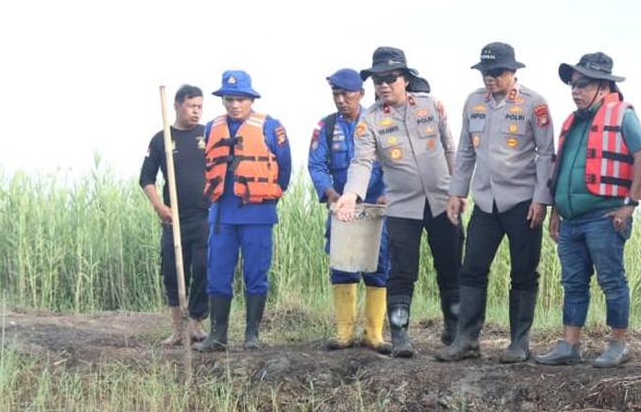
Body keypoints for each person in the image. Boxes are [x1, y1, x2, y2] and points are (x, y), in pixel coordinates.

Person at [334, 47, 462, 358]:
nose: (383, 85)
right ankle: (401, 334)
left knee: (451, 265)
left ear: (405, 79)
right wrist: (351, 194)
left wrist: (459, 191)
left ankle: (455, 329)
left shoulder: (432, 107)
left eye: (390, 78)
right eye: (378, 80)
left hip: (444, 201)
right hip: (403, 206)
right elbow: (361, 162)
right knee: (402, 270)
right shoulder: (371, 120)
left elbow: (450, 149)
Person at [438, 42, 555, 363]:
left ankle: (519, 342)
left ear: (513, 72)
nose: (490, 79)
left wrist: (541, 199)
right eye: (485, 73)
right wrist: (456, 192)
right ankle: (466, 339)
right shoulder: (474, 102)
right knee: (472, 268)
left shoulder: (535, 104)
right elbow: (464, 151)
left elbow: (546, 154)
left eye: (497, 73)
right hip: (485, 202)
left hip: (522, 201)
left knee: (523, 271)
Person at [535, 52, 641, 368]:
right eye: (574, 84)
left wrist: (631, 203)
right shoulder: (573, 121)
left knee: (612, 280)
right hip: (571, 220)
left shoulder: (622, 116)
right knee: (573, 282)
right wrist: (556, 213)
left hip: (605, 216)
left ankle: (618, 344)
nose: (576, 90)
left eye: (583, 84)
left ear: (603, 86)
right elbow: (561, 170)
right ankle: (569, 344)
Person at [194, 70, 292, 352]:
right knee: (217, 273)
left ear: (251, 100)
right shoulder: (212, 127)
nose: (234, 105)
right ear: (223, 100)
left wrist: (270, 196)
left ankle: (252, 335)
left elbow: (284, 169)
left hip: (257, 214)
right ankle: (218, 336)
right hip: (222, 215)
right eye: (229, 99)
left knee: (256, 273)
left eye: (240, 99)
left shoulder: (271, 127)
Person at [308, 68, 390, 353]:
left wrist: (386, 195)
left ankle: (374, 333)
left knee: (378, 267)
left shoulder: (379, 122)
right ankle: (344, 332)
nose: (341, 99)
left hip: (376, 210)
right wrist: (330, 193)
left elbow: (395, 163)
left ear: (362, 94)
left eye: (346, 94)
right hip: (341, 209)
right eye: (336, 94)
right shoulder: (326, 127)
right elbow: (317, 165)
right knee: (342, 264)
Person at [140, 84, 209, 346]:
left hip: (204, 215)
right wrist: (159, 206)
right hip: (174, 218)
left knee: (202, 268)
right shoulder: (162, 139)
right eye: (191, 106)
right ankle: (178, 328)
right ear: (177, 106)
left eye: (200, 107)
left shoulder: (208, 135)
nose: (196, 111)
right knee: (171, 270)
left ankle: (196, 323)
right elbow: (146, 178)